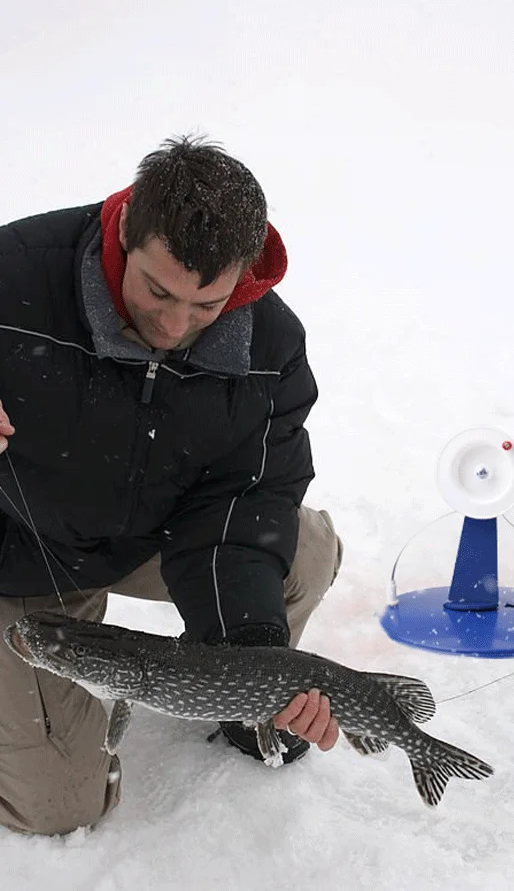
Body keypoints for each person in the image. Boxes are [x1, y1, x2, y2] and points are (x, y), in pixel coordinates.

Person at [0, 134, 344, 836]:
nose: (174, 324)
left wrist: (250, 662)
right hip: (22, 554)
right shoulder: (14, 273)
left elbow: (247, 501)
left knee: (303, 552)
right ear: (126, 228)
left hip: (157, 534)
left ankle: (244, 709)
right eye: (157, 291)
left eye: (206, 305)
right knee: (62, 809)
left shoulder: (271, 347)